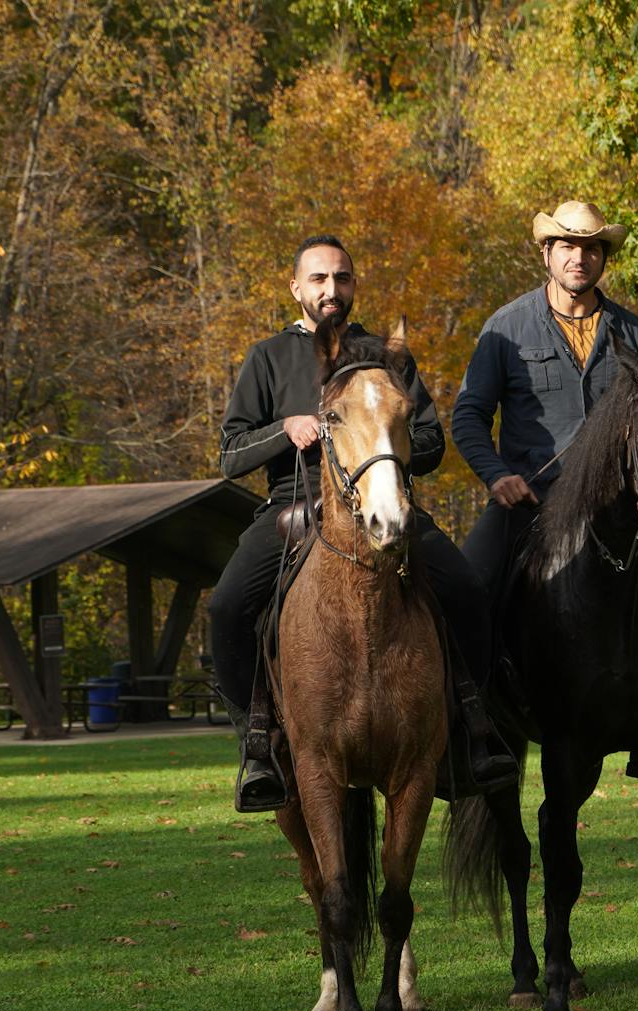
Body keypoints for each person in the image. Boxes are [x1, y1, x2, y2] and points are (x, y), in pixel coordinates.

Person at [210, 235, 515, 812]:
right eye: (319, 280)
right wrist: (287, 429)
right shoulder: (268, 356)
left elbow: (429, 439)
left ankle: (469, 730)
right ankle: (258, 745)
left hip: (385, 501)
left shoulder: (385, 354)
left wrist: (387, 446)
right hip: (290, 509)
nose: (332, 289)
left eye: (342, 278)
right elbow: (229, 453)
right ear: (296, 288)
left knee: (469, 591)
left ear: (353, 286)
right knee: (226, 606)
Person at [450, 201, 638, 791]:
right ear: (547, 253)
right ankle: (472, 725)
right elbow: (469, 417)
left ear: (604, 258)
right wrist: (496, 475)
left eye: (593, 248)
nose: (581, 258)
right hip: (529, 504)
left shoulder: (631, 331)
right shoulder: (506, 328)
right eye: (569, 247)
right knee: (466, 586)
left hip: (615, 515)